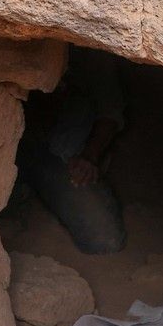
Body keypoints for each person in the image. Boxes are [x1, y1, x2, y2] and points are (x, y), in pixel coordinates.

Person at [16, 47, 127, 254]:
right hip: (12, 146)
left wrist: (89, 157)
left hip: (61, 156)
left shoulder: (90, 50)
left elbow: (109, 113)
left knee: (104, 238)